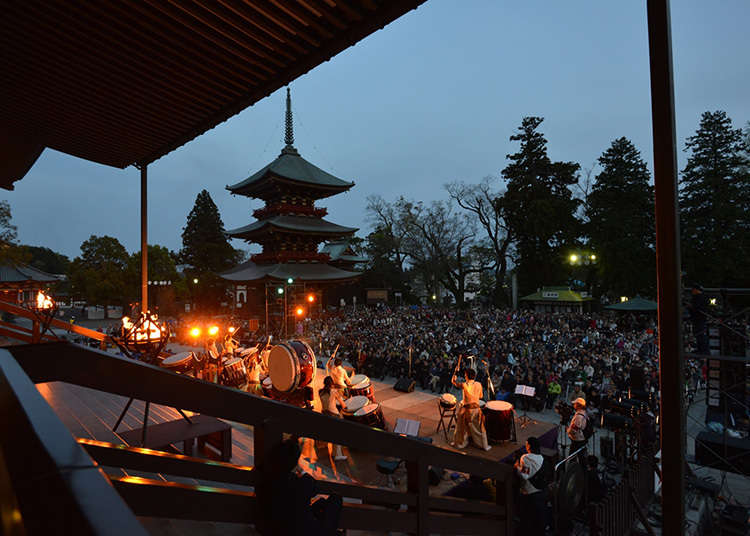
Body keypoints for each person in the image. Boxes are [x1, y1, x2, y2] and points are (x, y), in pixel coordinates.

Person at [255, 436, 342, 536]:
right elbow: (314, 487)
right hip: (304, 531)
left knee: (318, 505)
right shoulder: (299, 482)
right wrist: (301, 474)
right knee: (336, 499)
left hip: (277, 530)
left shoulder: (265, 482)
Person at [451, 364, 490, 451]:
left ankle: (461, 442)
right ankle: (483, 444)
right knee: (479, 428)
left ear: (467, 376)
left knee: (462, 428)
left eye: (465, 375)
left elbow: (453, 382)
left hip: (467, 410)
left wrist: (455, 372)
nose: (464, 376)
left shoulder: (464, 385)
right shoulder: (479, 384)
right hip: (476, 409)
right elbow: (480, 396)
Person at [513, 436, 546, 536]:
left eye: (526, 444)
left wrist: (517, 467)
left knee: (526, 519)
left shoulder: (526, 458)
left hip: (529, 493)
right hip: (539, 492)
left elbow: (525, 475)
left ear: (529, 446)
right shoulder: (541, 458)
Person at [318, 376, 347, 461]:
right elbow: (343, 404)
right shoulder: (334, 391)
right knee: (338, 435)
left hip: (324, 414)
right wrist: (345, 406)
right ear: (332, 383)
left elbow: (327, 401)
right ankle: (337, 454)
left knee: (328, 432)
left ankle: (324, 445)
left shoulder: (320, 392)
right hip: (333, 415)